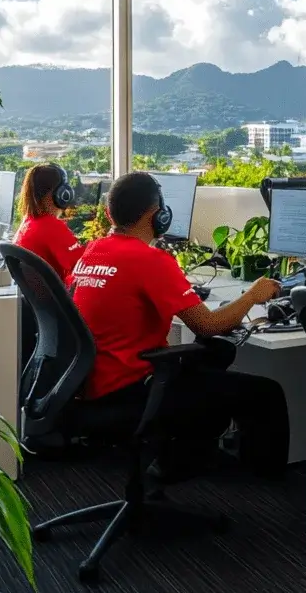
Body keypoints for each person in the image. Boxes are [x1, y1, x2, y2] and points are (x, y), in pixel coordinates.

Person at [70, 172, 289, 477]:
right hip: (132, 389)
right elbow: (208, 325)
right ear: (158, 215)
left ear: (109, 213)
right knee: (266, 393)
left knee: (217, 352)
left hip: (91, 383)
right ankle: (267, 497)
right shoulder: (151, 261)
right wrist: (253, 295)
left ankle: (181, 457)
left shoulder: (91, 252)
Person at [13, 163, 83, 284]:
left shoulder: (27, 224)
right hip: (62, 300)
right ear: (62, 194)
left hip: (41, 300)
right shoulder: (52, 227)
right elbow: (84, 267)